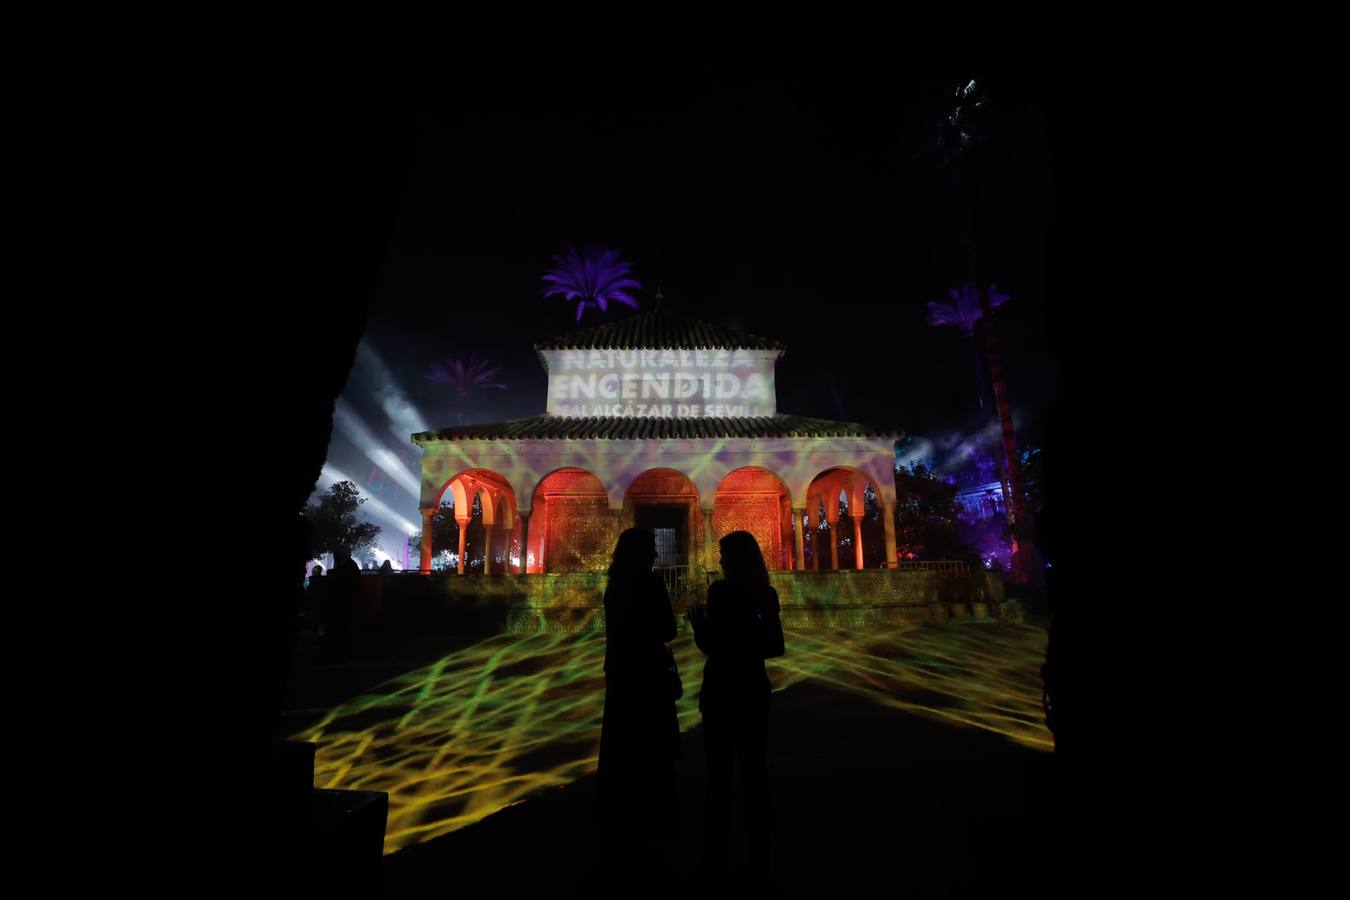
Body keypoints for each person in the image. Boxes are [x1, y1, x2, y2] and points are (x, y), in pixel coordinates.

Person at [687, 530, 785, 887]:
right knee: (755, 770)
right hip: (755, 689)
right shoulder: (766, 593)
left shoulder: (721, 592)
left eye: (725, 556)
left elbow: (714, 646)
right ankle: (761, 852)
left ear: (736, 560)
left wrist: (700, 630)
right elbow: (775, 645)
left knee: (720, 774)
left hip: (722, 691)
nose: (721, 562)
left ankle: (716, 855)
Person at [596, 527, 680, 867]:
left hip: (621, 673)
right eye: (650, 549)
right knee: (651, 745)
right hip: (648, 673)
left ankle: (620, 820)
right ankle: (650, 820)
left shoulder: (614, 587)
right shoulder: (650, 583)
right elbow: (668, 630)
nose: (657, 556)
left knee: (622, 743)